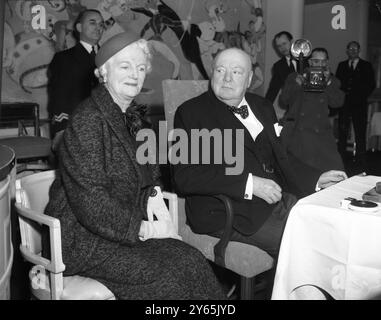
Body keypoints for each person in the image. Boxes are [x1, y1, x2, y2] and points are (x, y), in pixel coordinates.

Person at [44, 32, 225, 300]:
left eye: (141, 68)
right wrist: (146, 229)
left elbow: (150, 174)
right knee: (169, 279)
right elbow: (92, 204)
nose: (135, 75)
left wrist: (155, 202)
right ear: (103, 72)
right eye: (125, 66)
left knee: (192, 261)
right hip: (82, 237)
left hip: (121, 226)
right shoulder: (87, 121)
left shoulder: (133, 118)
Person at [173, 48, 347, 258]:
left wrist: (316, 178)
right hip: (229, 210)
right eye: (220, 70)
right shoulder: (191, 113)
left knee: (335, 228)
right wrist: (249, 184)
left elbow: (281, 155)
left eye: (237, 72)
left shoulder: (262, 106)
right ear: (212, 74)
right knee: (309, 248)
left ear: (249, 80)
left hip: (278, 199)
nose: (227, 78)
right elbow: (185, 176)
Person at [279, 47, 345, 172]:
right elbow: (284, 100)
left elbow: (338, 102)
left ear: (327, 63)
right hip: (296, 133)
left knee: (336, 171)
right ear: (309, 62)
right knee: (299, 174)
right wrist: (296, 84)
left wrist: (328, 82)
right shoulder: (295, 77)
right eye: (316, 61)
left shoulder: (332, 80)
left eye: (323, 61)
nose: (319, 65)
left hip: (320, 133)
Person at [47, 9, 104, 150]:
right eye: (92, 23)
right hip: (78, 130)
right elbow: (58, 96)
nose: (98, 27)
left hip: (108, 130)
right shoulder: (64, 59)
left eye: (101, 24)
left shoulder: (111, 59)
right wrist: (61, 130)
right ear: (79, 28)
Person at [336, 41, 376, 163]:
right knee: (342, 131)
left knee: (360, 131)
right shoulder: (342, 65)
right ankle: (340, 157)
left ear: (359, 51)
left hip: (359, 104)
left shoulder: (366, 65)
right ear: (347, 51)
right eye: (350, 49)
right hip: (344, 104)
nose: (353, 51)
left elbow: (371, 84)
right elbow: (337, 83)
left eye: (355, 49)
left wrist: (361, 96)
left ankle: (361, 158)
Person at [265, 31, 300, 104]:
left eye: (284, 43)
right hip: (293, 107)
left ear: (292, 42)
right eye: (279, 46)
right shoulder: (278, 66)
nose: (282, 48)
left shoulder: (307, 59)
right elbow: (273, 91)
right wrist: (263, 109)